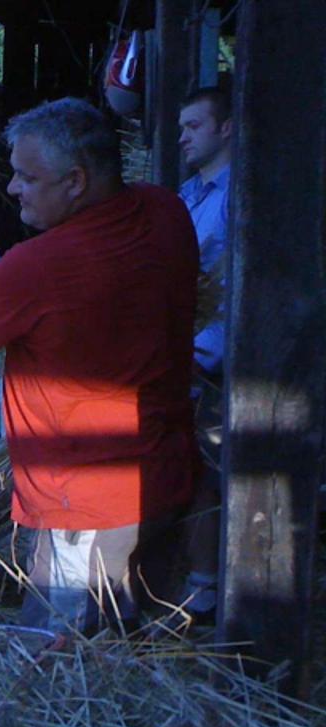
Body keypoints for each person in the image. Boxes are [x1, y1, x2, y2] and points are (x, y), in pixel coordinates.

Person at [0, 98, 199, 635]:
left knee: (60, 648)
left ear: (75, 181)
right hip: (160, 469)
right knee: (126, 627)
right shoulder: (166, 212)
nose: (14, 188)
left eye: (27, 177)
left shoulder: (41, 265)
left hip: (83, 494)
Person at [176, 84, 233, 620]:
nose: (183, 137)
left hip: (219, 355)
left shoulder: (242, 197)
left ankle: (208, 590)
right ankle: (197, 583)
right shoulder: (192, 192)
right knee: (192, 467)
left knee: (212, 469)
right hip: (189, 347)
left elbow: (233, 286)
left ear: (226, 128)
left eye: (194, 126)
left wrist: (200, 353)